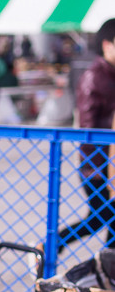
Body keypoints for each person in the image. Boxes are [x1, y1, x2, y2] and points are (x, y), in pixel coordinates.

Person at [57, 18, 115, 251]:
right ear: (107, 45)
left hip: (109, 163)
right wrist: (97, 168)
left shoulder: (111, 74)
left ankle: (105, 265)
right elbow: (87, 128)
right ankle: (49, 245)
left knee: (104, 218)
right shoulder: (94, 77)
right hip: (98, 165)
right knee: (99, 219)